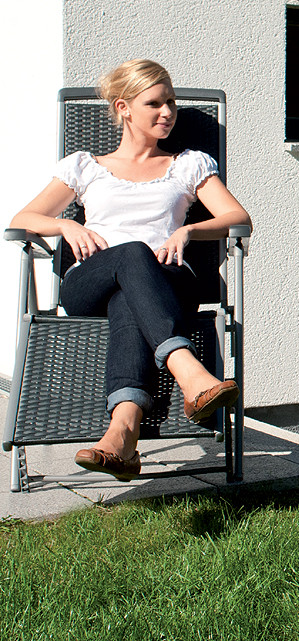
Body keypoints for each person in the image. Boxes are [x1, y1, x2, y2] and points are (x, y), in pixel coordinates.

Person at [9, 59, 252, 482]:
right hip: (90, 283)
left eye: (171, 102)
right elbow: (24, 218)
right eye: (155, 103)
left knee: (131, 297)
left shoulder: (189, 164)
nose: (168, 113)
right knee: (130, 253)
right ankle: (188, 370)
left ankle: (121, 433)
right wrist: (66, 223)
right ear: (124, 108)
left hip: (167, 282)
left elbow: (238, 218)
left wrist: (190, 230)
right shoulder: (84, 166)